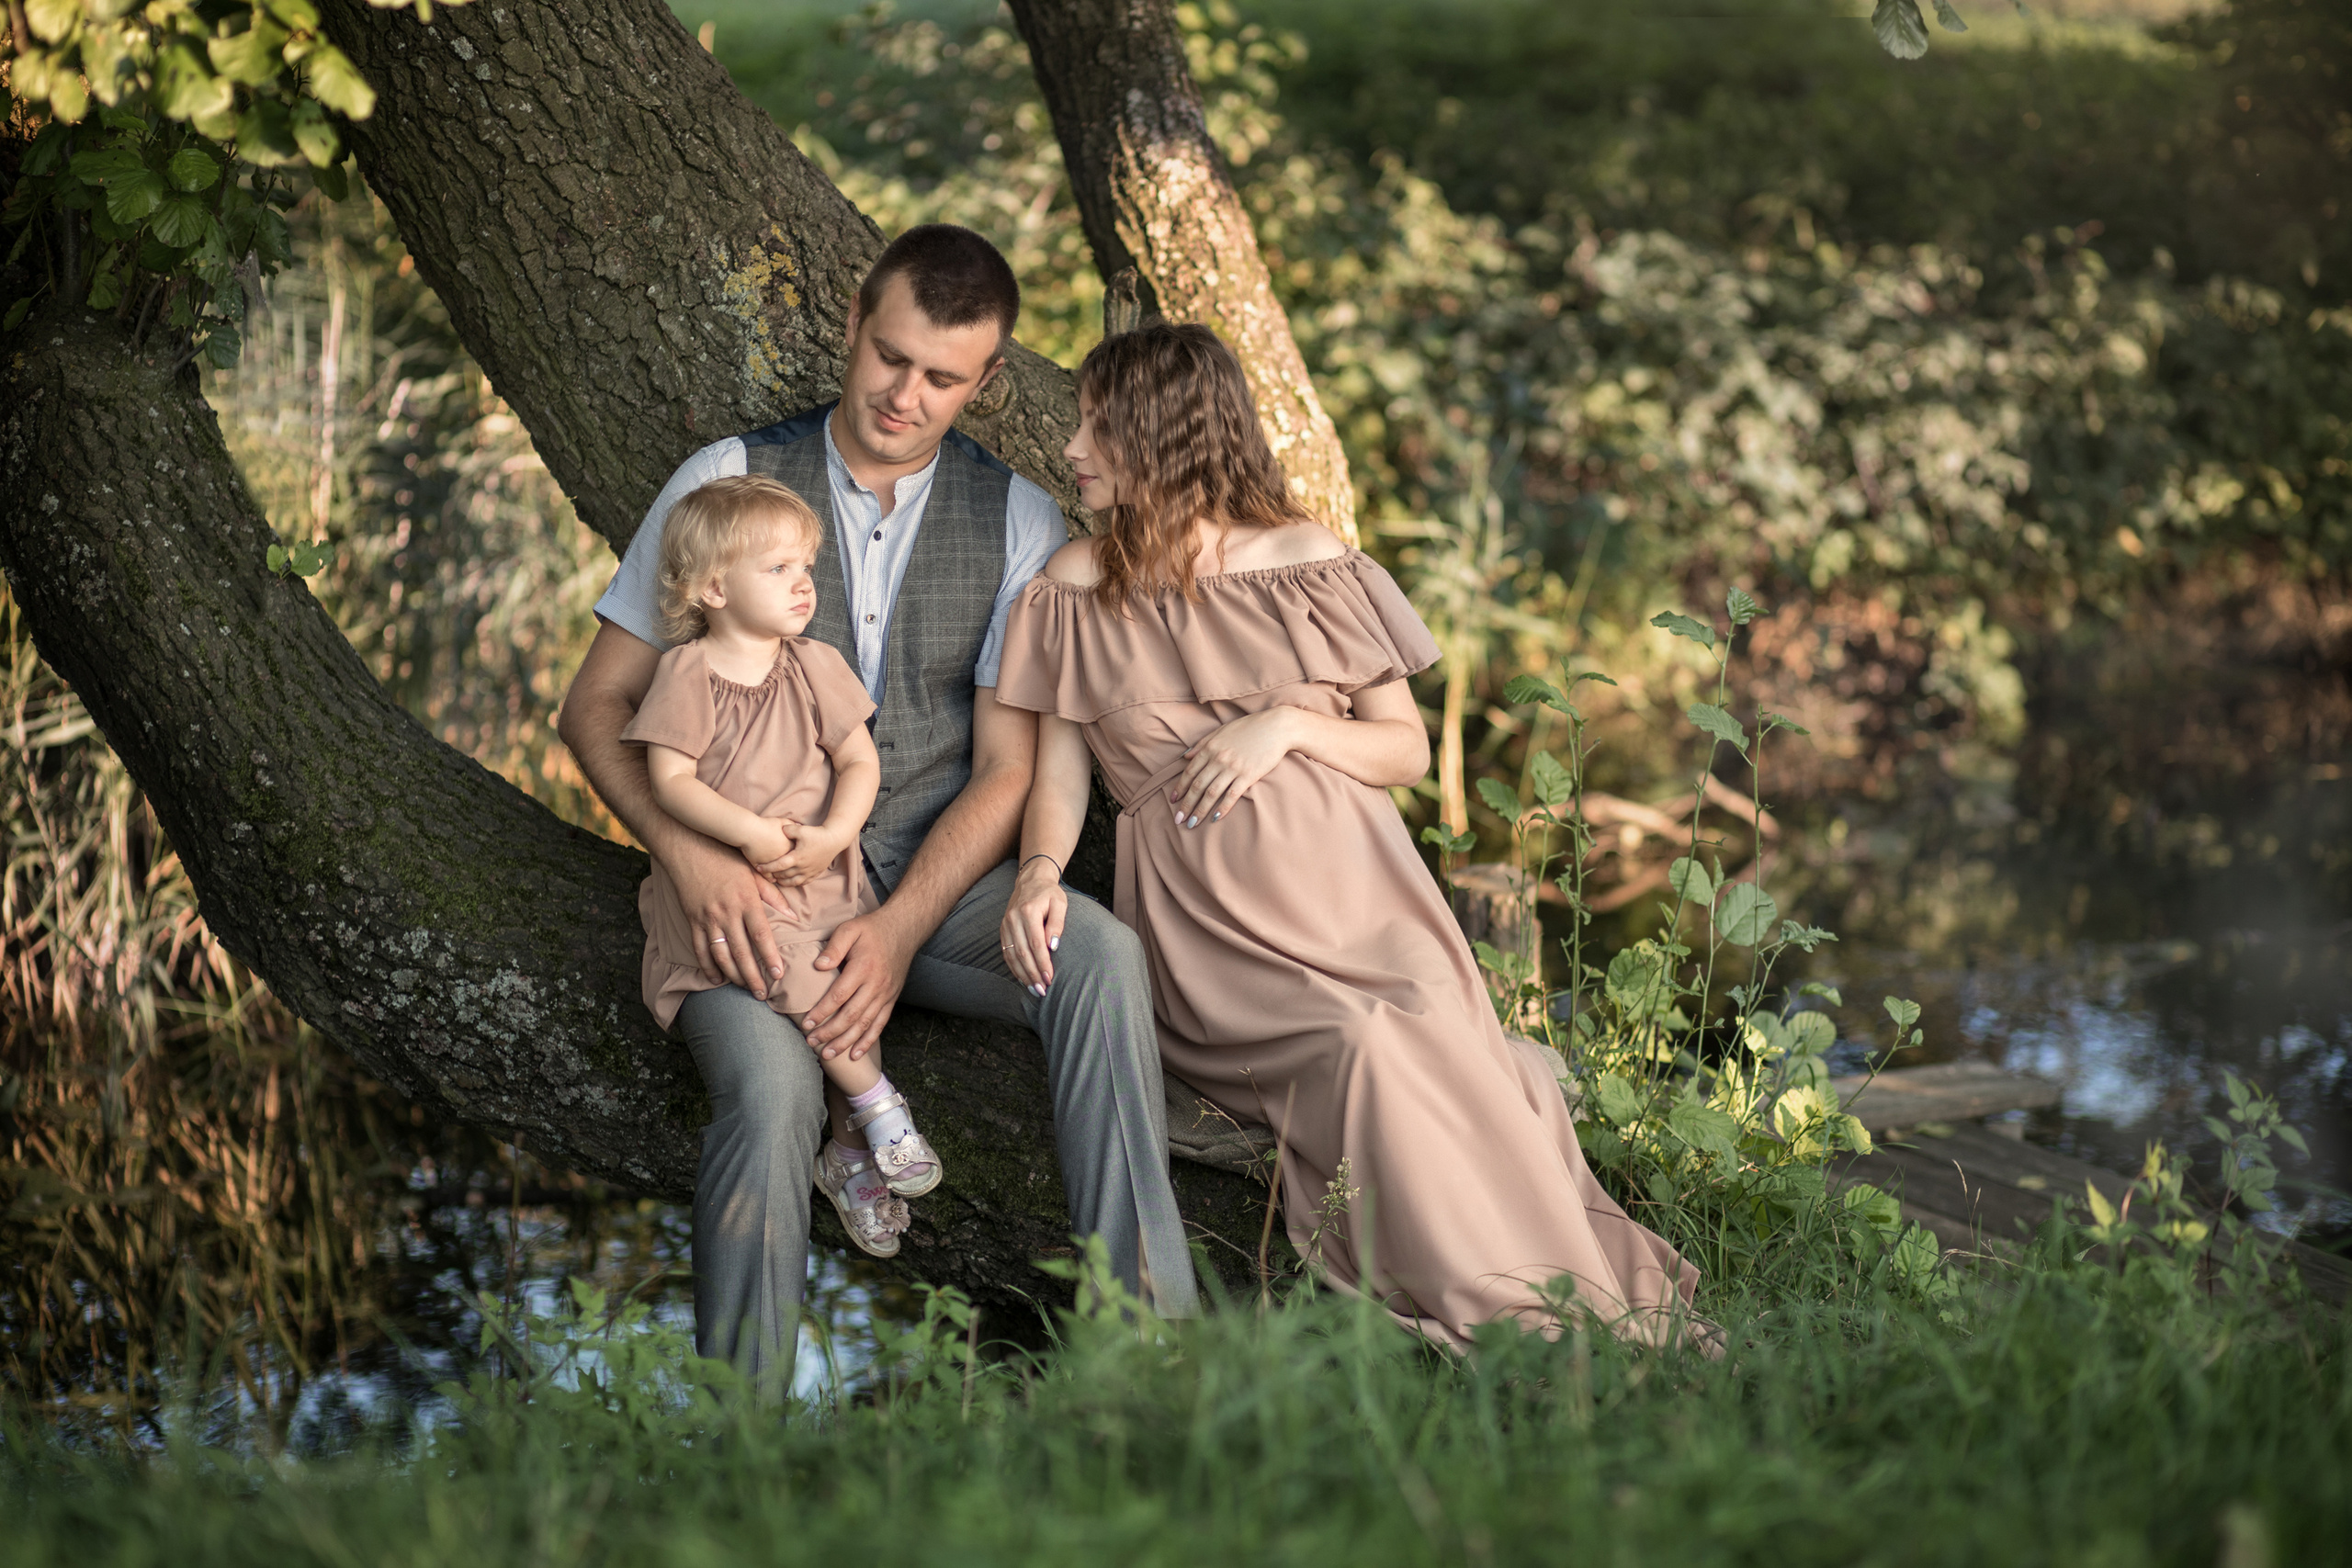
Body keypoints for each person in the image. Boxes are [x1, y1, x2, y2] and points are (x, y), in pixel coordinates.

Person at [559, 225, 1198, 1393]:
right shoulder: (723, 481)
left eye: (943, 377)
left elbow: (1007, 771)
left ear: (987, 380)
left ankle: (1151, 1360)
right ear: (854, 323)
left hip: (930, 890)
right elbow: (595, 705)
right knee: (768, 1094)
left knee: (1097, 954)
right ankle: (738, 1437)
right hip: (747, 896)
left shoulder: (1020, 524)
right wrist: (682, 858)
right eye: (890, 357)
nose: (906, 394)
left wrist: (901, 934)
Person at [994, 322, 1703, 1349]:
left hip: (1367, 901)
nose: (1072, 448)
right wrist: (1039, 873)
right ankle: (1505, 1313)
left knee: (1431, 1024)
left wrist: (1283, 725)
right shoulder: (1072, 589)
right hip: (1216, 936)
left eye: (1099, 426)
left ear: (1169, 432)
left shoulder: (1309, 560)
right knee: (1363, 1042)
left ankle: (1563, 1292)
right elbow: (1059, 773)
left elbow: (1403, 751)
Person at [619, 473, 941, 1259]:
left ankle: (845, 1155)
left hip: (821, 870)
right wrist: (753, 835)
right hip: (732, 886)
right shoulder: (688, 673)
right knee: (793, 965)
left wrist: (835, 834)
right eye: (780, 570)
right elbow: (671, 782)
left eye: (806, 567)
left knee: (841, 969)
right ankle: (874, 1104)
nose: (804, 585)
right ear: (714, 588)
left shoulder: (815, 664)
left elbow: (859, 762)